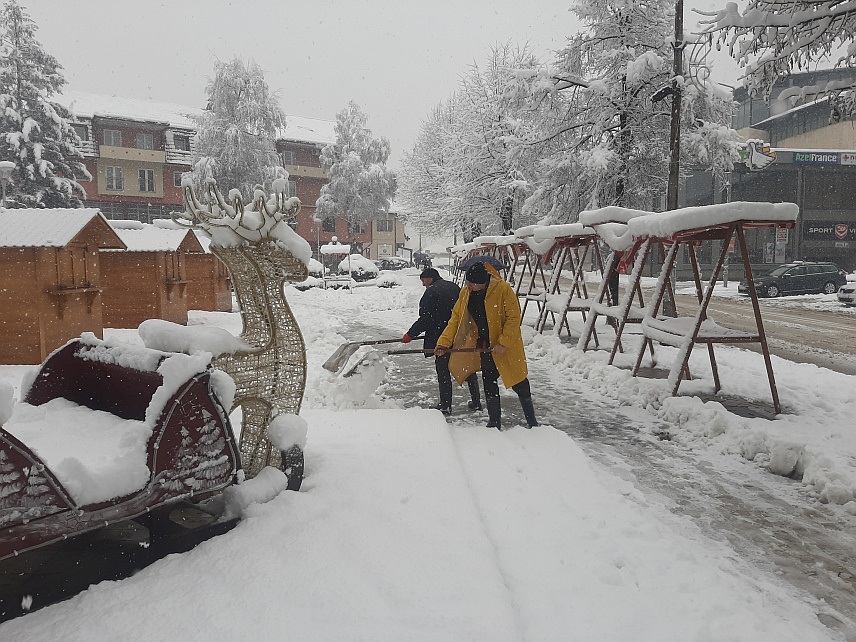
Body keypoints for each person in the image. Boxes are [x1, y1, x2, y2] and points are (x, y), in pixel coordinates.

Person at [434, 262, 538, 430]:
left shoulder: (503, 289)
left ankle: (532, 421)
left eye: (472, 282)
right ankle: (494, 422)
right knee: (489, 382)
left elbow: (513, 318)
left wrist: (503, 343)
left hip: (507, 348)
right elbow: (455, 319)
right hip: (485, 346)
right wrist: (443, 342)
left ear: (483, 282)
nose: (469, 285)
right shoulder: (466, 293)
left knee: (519, 382)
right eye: (468, 281)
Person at [402, 268, 481, 416]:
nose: (423, 284)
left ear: (430, 278)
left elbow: (426, 318)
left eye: (424, 280)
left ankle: (445, 405)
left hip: (441, 338)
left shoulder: (431, 291)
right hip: (459, 335)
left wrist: (410, 334)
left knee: (443, 371)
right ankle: (476, 401)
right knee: (467, 367)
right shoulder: (454, 287)